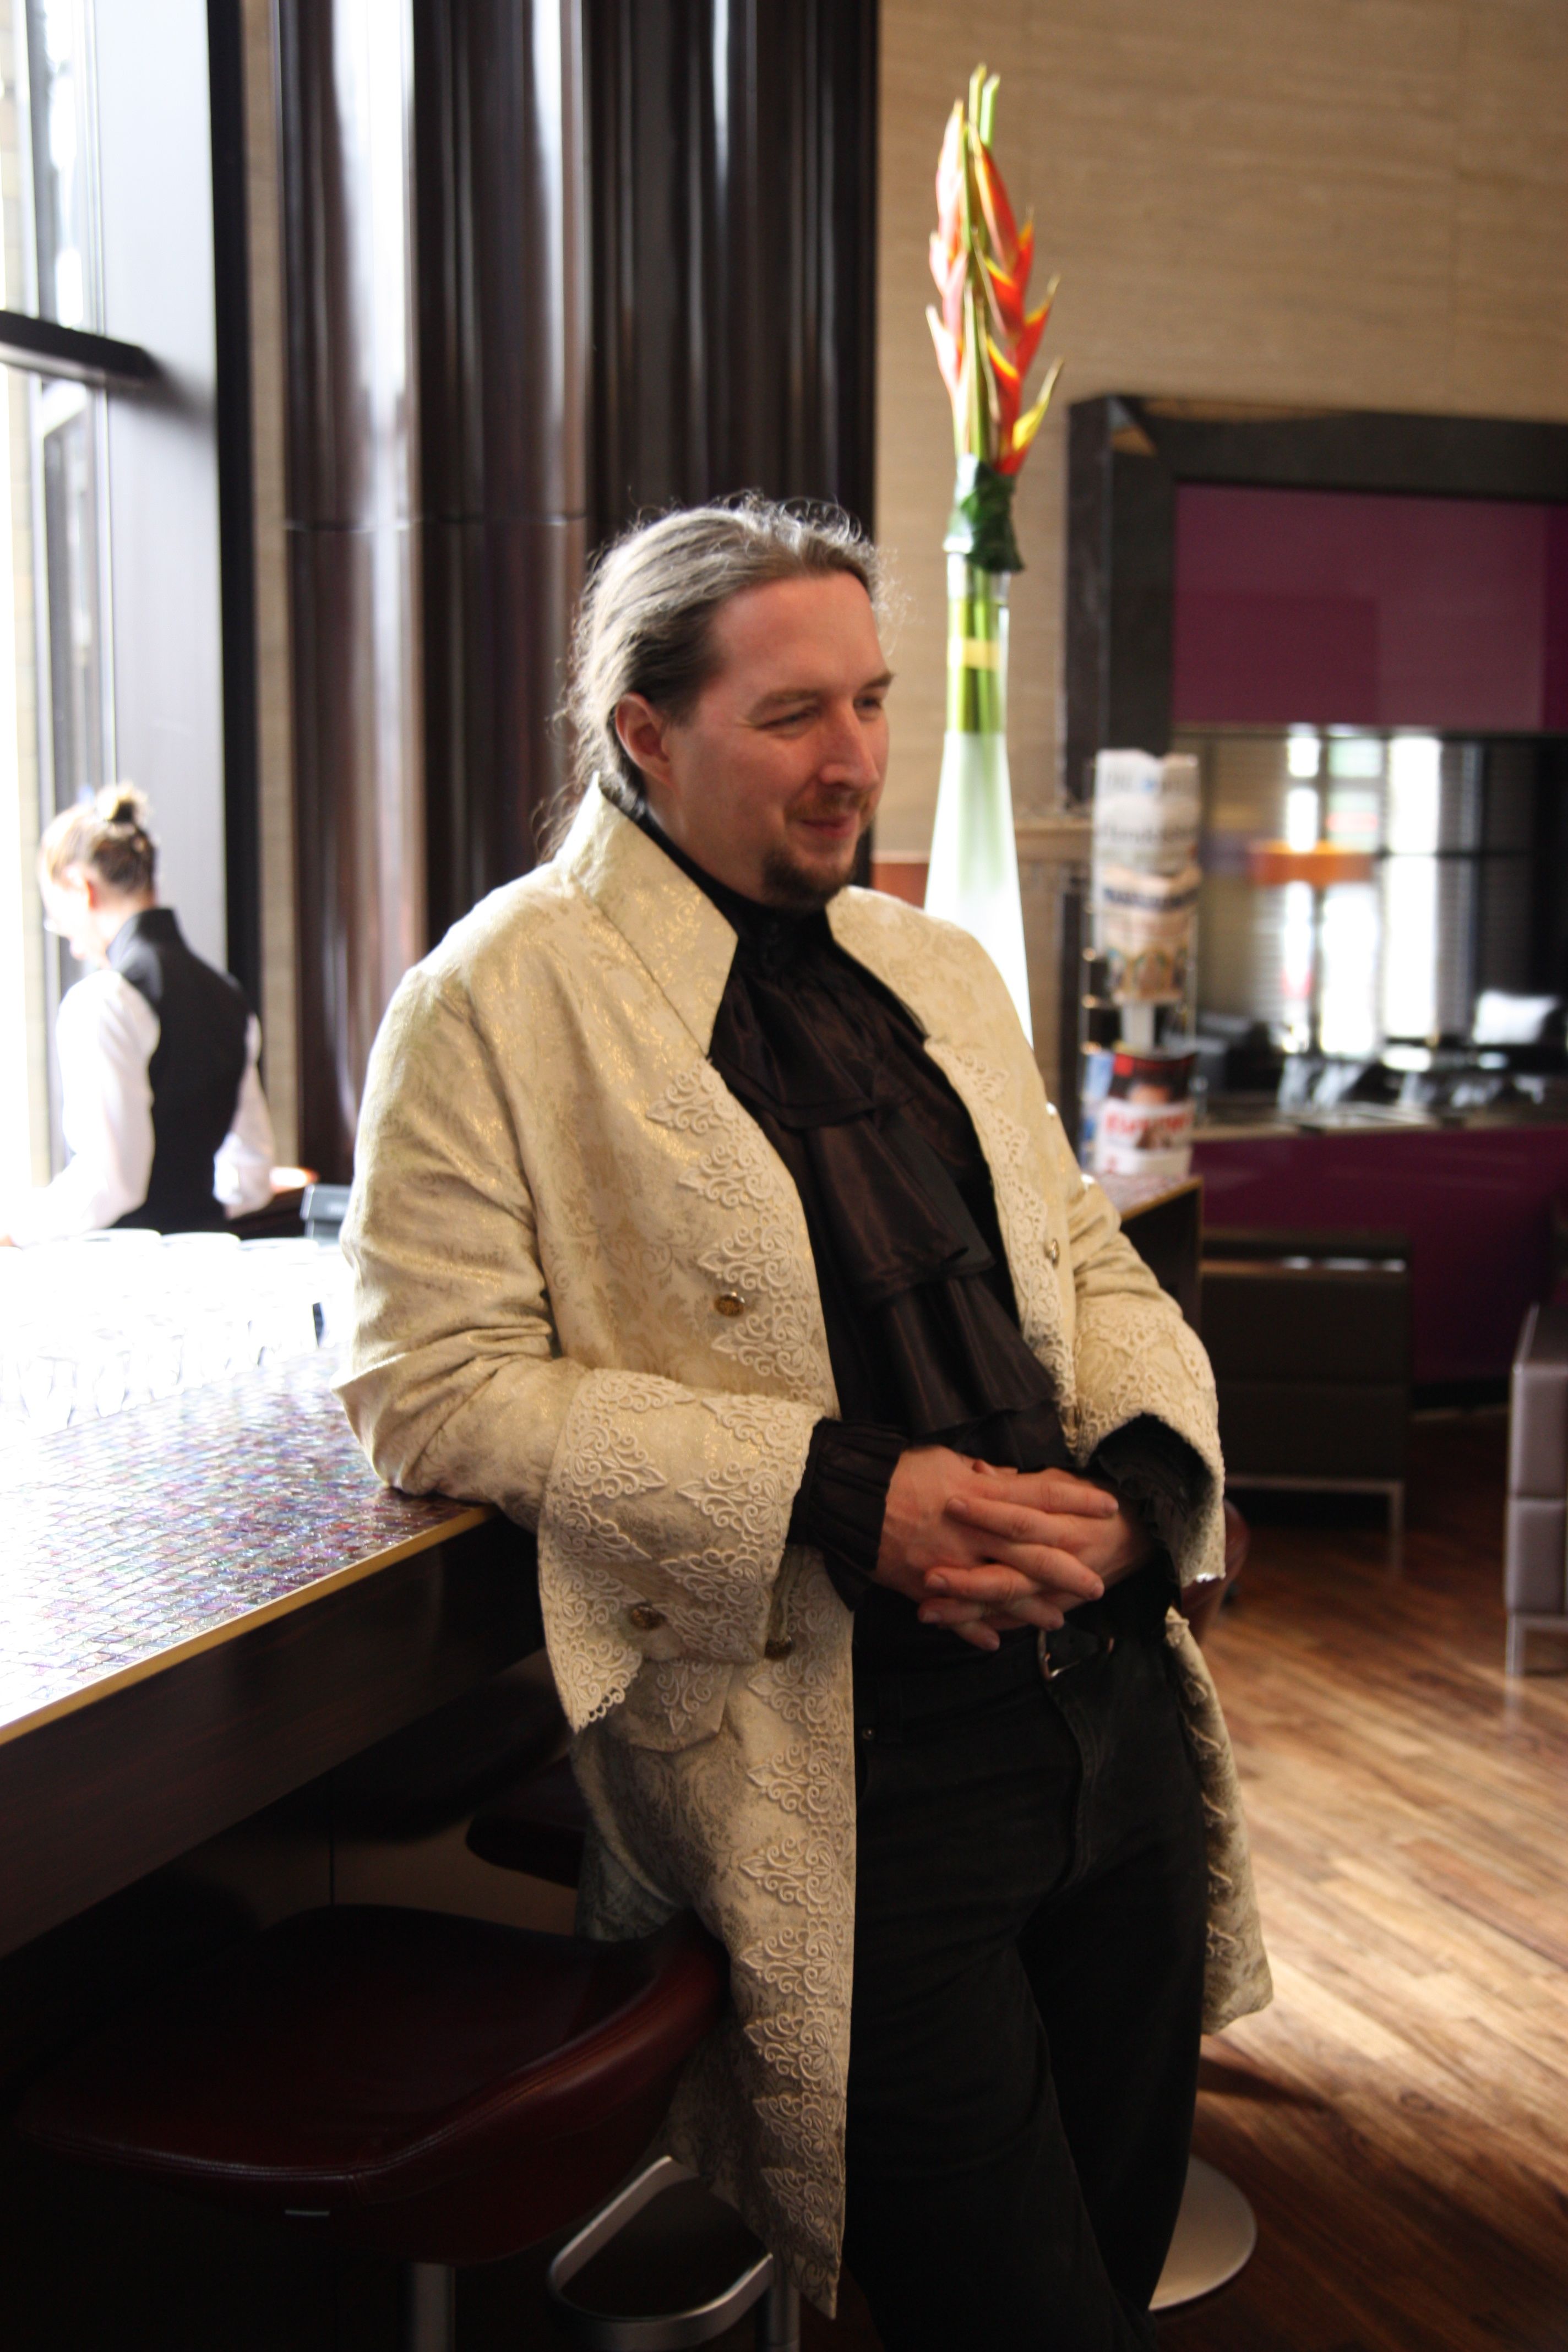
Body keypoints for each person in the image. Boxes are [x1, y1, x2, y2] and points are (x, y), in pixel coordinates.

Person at [339, 501, 1271, 2349]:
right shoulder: (489, 1003)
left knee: (1110, 2254)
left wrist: (1137, 1492)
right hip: (843, 1765)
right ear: (644, 730)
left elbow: (1082, 1257)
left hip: (1110, 1724)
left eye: (870, 700)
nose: (853, 757)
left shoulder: (937, 969)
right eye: (790, 716)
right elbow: (425, 1387)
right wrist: (842, 1491)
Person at [3, 785, 275, 1245]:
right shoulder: (229, 997)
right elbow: (252, 1175)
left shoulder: (104, 1001)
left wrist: (17, 1228)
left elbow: (111, 1182)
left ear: (81, 888)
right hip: (211, 1259)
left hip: (127, 1272)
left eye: (57, 919)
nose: (70, 943)